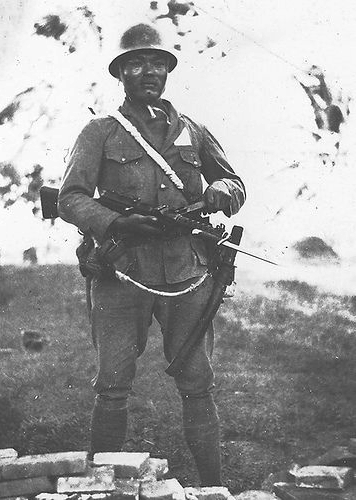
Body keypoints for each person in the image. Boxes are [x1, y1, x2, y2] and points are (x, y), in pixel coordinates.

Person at [58, 23, 246, 486]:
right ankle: (103, 488)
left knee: (199, 385)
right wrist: (117, 222)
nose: (150, 71)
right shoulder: (100, 131)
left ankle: (213, 488)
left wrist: (222, 189)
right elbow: (71, 197)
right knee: (113, 386)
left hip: (188, 274)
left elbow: (235, 183)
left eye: (158, 63)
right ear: (120, 73)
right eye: (137, 63)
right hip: (123, 273)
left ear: (167, 71)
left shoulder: (193, 131)